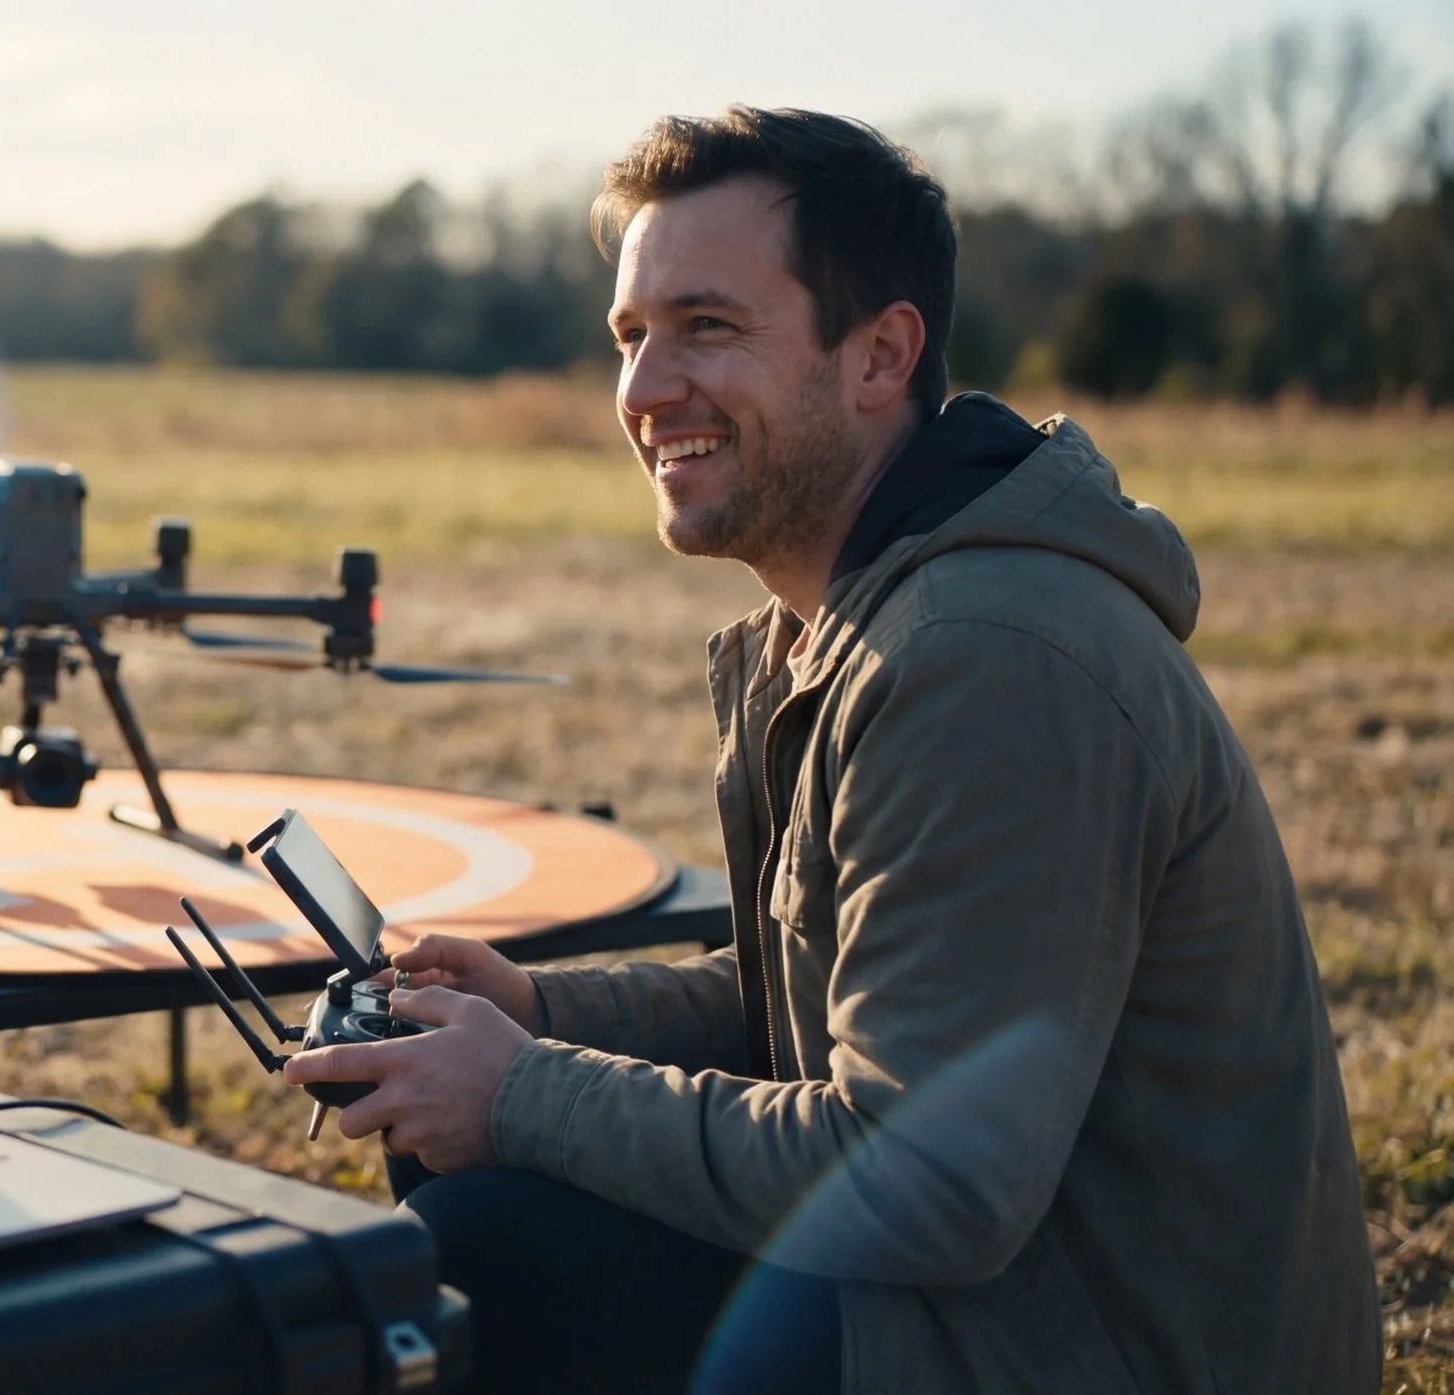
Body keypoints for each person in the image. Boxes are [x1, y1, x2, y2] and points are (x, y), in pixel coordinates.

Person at [283, 106, 1380, 1394]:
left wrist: (523, 1091)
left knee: (497, 1238)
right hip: (1017, 1299)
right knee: (478, 1157)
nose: (643, 392)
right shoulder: (847, 625)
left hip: (1114, 1344)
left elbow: (934, 1182)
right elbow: (822, 1007)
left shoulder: (987, 655)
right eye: (631, 338)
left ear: (880, 356)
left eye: (709, 327)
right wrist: (537, 1014)